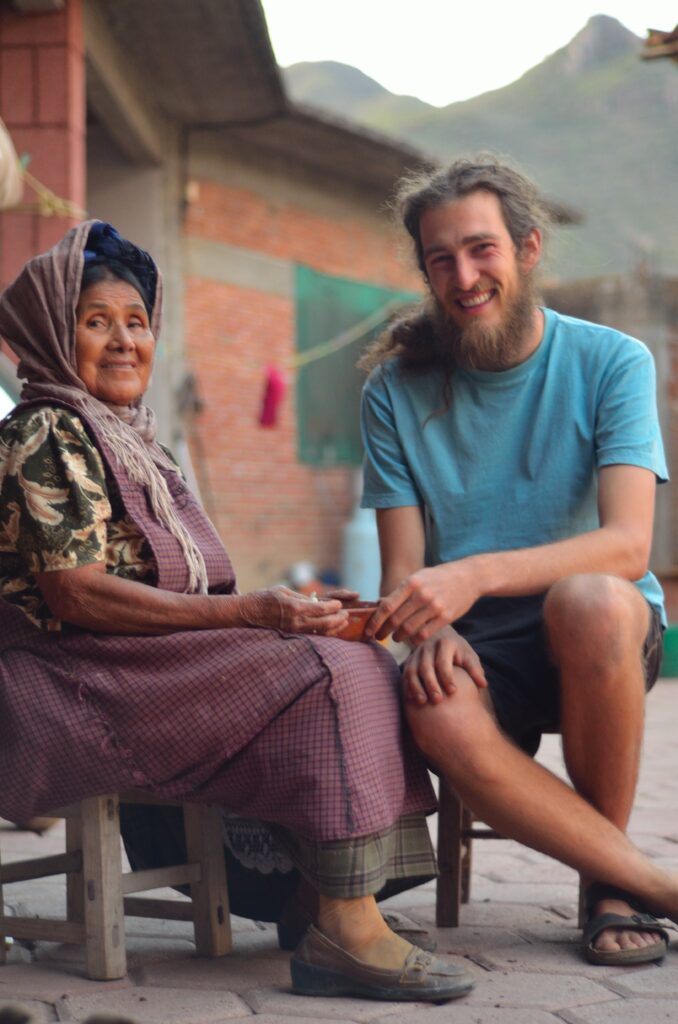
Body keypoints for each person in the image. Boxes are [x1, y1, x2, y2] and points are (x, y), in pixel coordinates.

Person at [0, 220, 475, 1002]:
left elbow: (190, 589)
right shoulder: (48, 429)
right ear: (53, 334)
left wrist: (291, 610)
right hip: (69, 680)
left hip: (134, 665)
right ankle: (344, 934)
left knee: (351, 651)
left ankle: (318, 903)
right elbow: (75, 593)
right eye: (95, 322)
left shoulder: (135, 440)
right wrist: (257, 615)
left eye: (137, 322)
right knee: (326, 672)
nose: (123, 341)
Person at [359, 156, 677, 966]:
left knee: (592, 599)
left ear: (528, 249)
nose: (462, 276)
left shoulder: (613, 362)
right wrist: (425, 631)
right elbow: (402, 572)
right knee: (431, 701)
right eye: (440, 259)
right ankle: (648, 883)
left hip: (600, 633)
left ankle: (604, 889)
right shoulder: (394, 390)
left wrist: (472, 574)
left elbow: (628, 544)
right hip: (478, 644)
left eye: (481, 250)